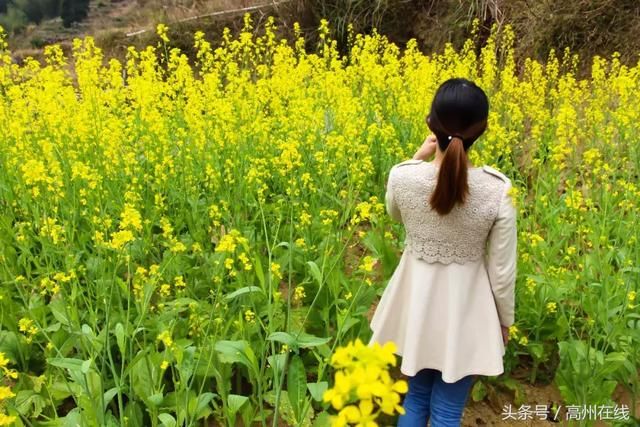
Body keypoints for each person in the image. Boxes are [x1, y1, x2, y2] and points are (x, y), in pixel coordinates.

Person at [368, 77, 517, 427]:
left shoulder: (402, 177)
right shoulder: (498, 190)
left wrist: (418, 157)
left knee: (415, 397)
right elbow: (502, 269)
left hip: (415, 306)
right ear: (483, 131)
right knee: (448, 411)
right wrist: (504, 321)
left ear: (430, 123)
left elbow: (394, 211)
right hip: (467, 310)